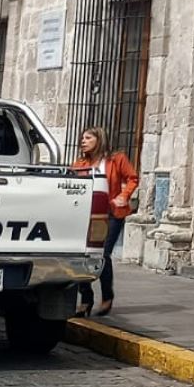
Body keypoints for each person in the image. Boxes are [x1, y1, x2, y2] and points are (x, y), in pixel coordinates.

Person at [72, 127, 139, 317]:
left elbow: (133, 178)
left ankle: (107, 296)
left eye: (88, 138)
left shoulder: (116, 159)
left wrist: (124, 195)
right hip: (87, 215)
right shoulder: (79, 164)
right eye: (82, 138)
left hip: (111, 214)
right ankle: (86, 298)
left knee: (103, 255)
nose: (83, 141)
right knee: (83, 255)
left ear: (98, 139)